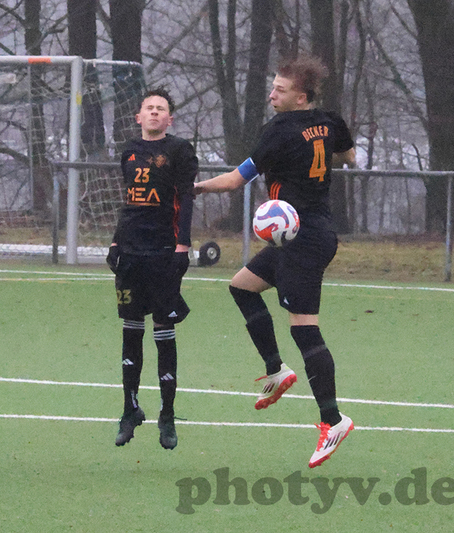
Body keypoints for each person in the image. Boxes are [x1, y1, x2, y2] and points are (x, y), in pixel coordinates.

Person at [193, 55, 356, 468]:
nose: (271, 95)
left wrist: (194, 188)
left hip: (306, 240)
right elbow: (350, 157)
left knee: (304, 327)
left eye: (280, 90)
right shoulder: (330, 120)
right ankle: (276, 370)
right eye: (273, 87)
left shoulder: (279, 131)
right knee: (242, 286)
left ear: (300, 97)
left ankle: (333, 420)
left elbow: (235, 180)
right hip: (308, 232)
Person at [107, 88, 198, 450]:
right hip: (131, 250)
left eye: (161, 109)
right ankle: (130, 409)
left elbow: (186, 199)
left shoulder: (180, 150)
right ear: (139, 117)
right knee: (131, 329)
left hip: (163, 250)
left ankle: (167, 415)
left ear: (169, 118)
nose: (155, 112)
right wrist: (116, 242)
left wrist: (183, 245)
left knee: (164, 329)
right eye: (150, 108)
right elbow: (129, 200)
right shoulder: (128, 150)